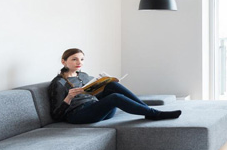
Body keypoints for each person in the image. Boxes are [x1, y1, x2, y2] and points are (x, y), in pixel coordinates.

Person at [48, 48, 181, 124]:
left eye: (81, 59)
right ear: (63, 61)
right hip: (79, 115)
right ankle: (154, 114)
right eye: (74, 59)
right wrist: (69, 97)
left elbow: (92, 94)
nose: (79, 62)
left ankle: (146, 110)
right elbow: (56, 115)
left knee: (111, 85)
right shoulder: (58, 83)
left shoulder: (83, 76)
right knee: (115, 97)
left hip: (97, 109)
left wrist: (102, 84)